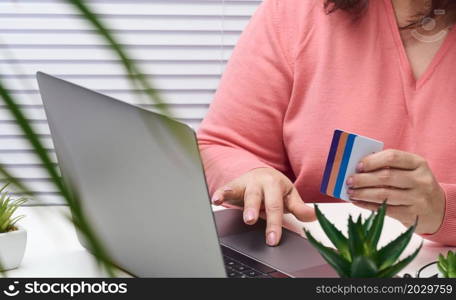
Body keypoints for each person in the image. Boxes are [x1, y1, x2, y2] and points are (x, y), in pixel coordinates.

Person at [197, 0, 456, 247]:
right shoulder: (296, 11)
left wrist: (444, 210)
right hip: (310, 261)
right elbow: (221, 145)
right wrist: (253, 176)